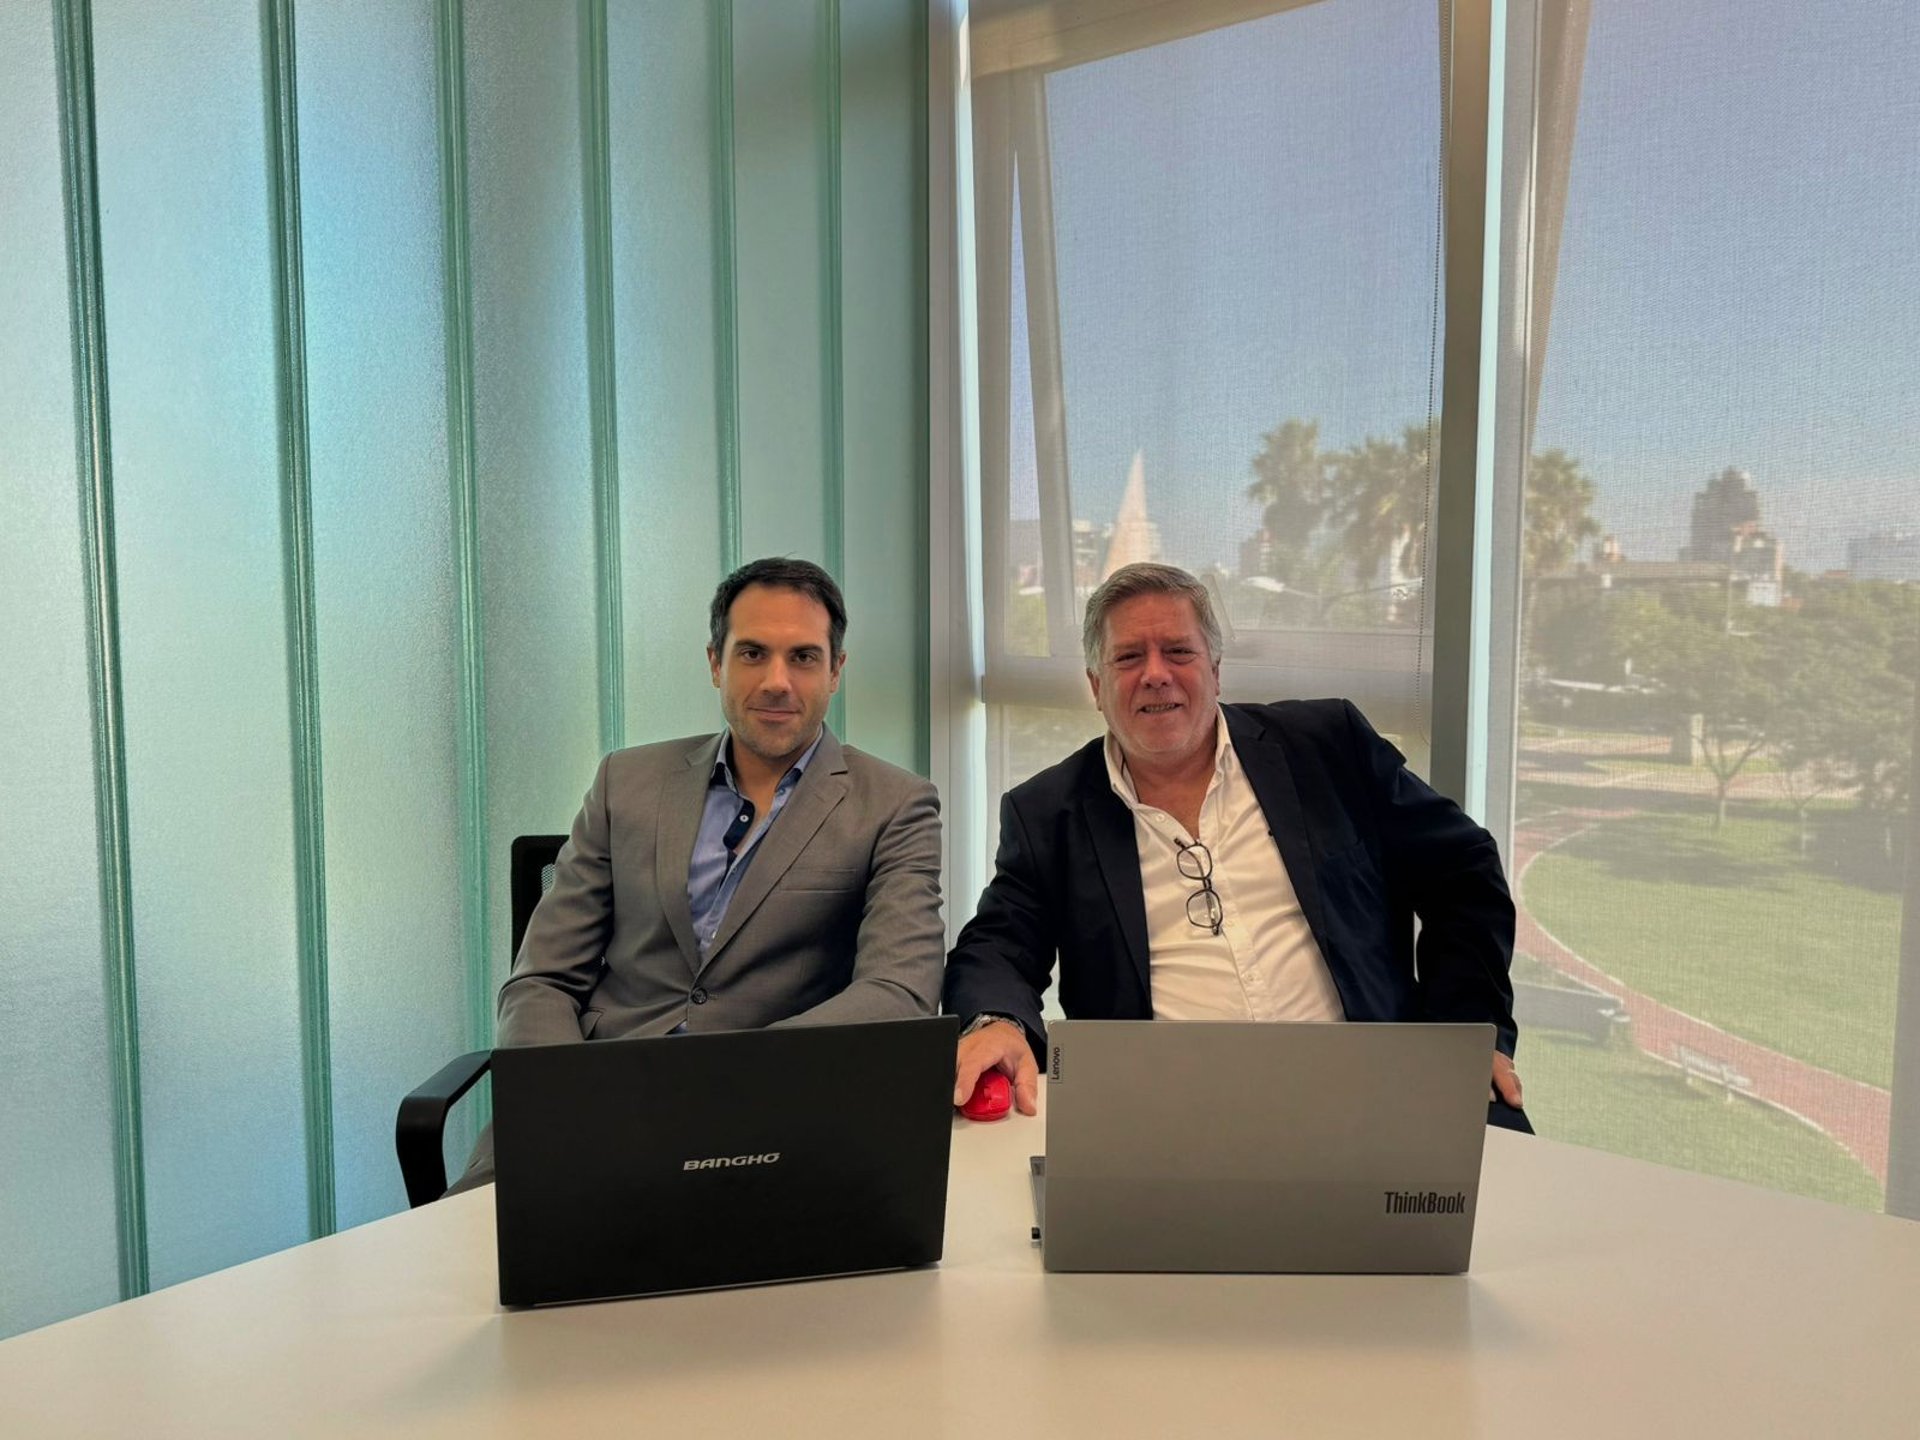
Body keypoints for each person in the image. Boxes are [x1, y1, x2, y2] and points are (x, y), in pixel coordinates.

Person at [943, 562, 1528, 1131]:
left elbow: (1463, 868)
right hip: (1167, 1121)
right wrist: (996, 1021)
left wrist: (1465, 1029)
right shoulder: (1049, 812)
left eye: (1178, 651)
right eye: (1128, 657)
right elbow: (997, 945)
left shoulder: (1327, 746)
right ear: (1096, 687)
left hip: (1373, 1092)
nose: (1155, 674)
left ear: (1216, 670)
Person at [457, 558, 944, 1186]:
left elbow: (898, 994)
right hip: (592, 1106)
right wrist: (565, 1097)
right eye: (751, 653)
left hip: (771, 1122)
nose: (776, 681)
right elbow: (542, 979)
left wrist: (718, 1084)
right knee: (468, 1271)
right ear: (715, 662)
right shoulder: (625, 783)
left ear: (835, 671)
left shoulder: (895, 804)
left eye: (802, 657)